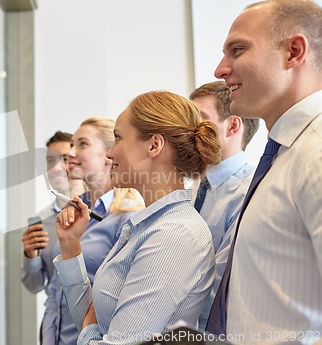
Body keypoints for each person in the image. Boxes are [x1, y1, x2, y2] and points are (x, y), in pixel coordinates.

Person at [54, 91, 221, 344]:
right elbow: (92, 322)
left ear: (154, 145)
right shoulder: (146, 226)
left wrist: (91, 328)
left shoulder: (173, 234)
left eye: (118, 138)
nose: (110, 154)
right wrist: (70, 246)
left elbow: (100, 332)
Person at [205, 1, 322, 343]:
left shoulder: (315, 152)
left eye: (237, 50)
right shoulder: (283, 155)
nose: (219, 70)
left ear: (293, 52)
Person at [42, 118, 145, 345]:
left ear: (109, 153)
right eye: (71, 144)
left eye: (82, 144)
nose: (69, 152)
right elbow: (56, 289)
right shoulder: (74, 211)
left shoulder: (128, 218)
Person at [189, 80, 259, 328]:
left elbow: (219, 283)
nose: (190, 130)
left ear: (232, 125)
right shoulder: (192, 189)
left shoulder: (250, 191)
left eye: (201, 119)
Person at [21, 131, 85, 343]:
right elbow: (34, 285)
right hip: (52, 327)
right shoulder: (39, 220)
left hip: (89, 328)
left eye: (65, 159)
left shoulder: (99, 214)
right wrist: (30, 255)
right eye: (50, 161)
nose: (57, 168)